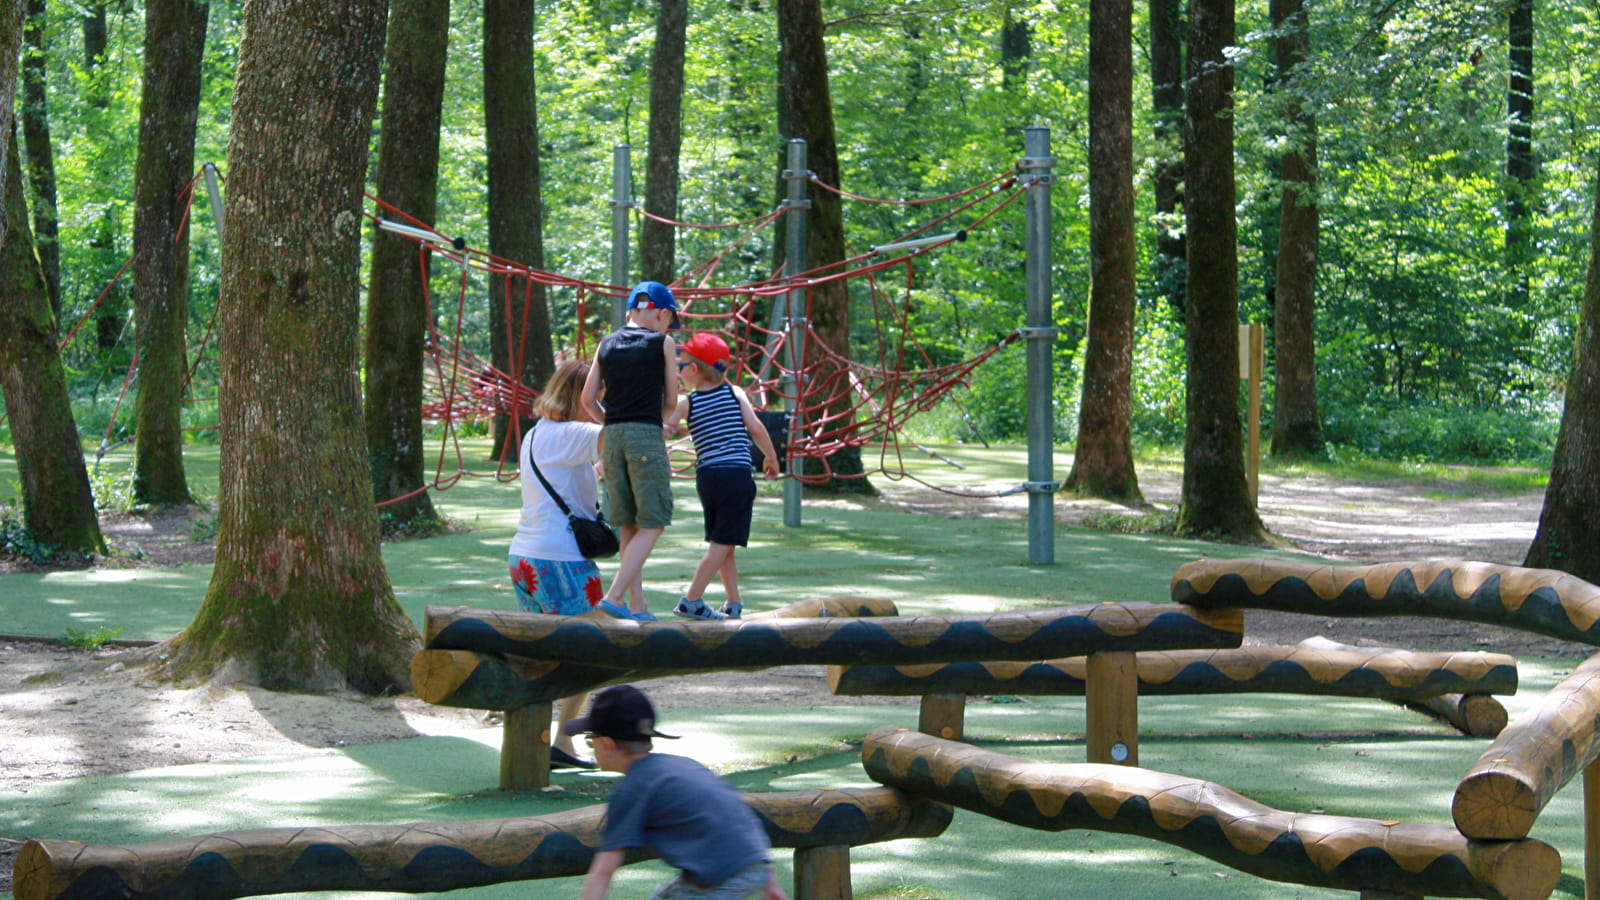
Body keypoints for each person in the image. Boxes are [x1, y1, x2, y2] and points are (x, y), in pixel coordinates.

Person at [569, 684, 788, 900]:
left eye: (591, 741)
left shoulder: (631, 790)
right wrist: (770, 881)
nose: (591, 746)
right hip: (753, 864)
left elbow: (604, 871)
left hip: (719, 877)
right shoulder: (683, 765)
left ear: (607, 744)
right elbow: (736, 820)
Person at [509, 358, 605, 770]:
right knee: (592, 651)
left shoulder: (537, 435)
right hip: (561, 557)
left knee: (547, 652)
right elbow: (629, 436)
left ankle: (538, 737)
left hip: (526, 554)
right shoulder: (578, 433)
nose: (602, 403)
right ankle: (564, 740)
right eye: (597, 396)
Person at [582, 281, 681, 621]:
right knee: (653, 521)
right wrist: (656, 422)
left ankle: (636, 606)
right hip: (644, 436)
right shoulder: (663, 343)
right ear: (661, 311)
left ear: (630, 310)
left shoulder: (605, 343)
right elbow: (671, 401)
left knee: (627, 524)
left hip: (611, 438)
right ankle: (614, 595)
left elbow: (587, 399)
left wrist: (611, 422)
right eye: (669, 319)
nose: (668, 327)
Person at [664, 332, 779, 620]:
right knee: (723, 541)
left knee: (723, 540)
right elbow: (755, 428)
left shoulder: (685, 403)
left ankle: (733, 600)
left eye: (680, 367)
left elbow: (666, 429)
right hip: (736, 475)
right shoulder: (735, 393)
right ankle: (692, 599)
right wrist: (771, 456)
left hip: (708, 478)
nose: (679, 372)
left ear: (692, 370)